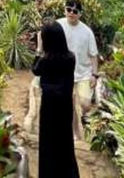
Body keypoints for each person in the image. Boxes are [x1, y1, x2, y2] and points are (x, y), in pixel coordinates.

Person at [33, 22, 80, 178]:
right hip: (65, 106)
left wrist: (39, 49)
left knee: (48, 144)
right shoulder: (71, 58)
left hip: (49, 108)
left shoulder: (45, 61)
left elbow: (35, 70)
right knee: (65, 143)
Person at [57, 0, 99, 140]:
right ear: (65, 9)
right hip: (64, 74)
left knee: (85, 104)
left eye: (75, 11)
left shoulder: (87, 32)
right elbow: (44, 37)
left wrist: (94, 74)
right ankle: (75, 132)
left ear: (80, 13)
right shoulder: (58, 26)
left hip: (84, 74)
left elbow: (94, 55)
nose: (71, 13)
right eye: (69, 9)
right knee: (70, 105)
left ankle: (86, 122)